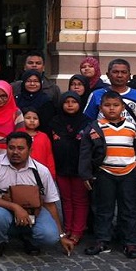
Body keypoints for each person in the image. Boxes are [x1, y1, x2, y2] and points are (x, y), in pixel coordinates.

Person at [0, 132, 74, 258]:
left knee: (50, 236)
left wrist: (61, 235)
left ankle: (29, 239)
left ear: (30, 150)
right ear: (6, 148)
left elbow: (50, 203)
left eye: (21, 148)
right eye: (11, 148)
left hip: (34, 211)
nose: (15, 152)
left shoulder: (41, 171)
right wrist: (15, 207)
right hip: (2, 209)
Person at [80, 91, 136, 258]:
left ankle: (130, 242)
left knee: (128, 208)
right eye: (107, 105)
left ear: (122, 107)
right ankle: (102, 240)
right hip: (105, 173)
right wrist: (85, 174)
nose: (111, 109)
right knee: (103, 209)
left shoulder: (132, 127)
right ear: (101, 108)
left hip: (128, 173)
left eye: (116, 105)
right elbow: (86, 152)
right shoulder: (95, 127)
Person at [46, 92, 91, 245]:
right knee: (66, 199)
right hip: (61, 165)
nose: (70, 105)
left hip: (80, 167)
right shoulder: (55, 122)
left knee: (80, 199)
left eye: (74, 102)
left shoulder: (86, 122)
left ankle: (78, 230)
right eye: (67, 102)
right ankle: (68, 227)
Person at [83, 59, 136, 137]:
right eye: (115, 72)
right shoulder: (96, 95)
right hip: (103, 144)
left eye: (124, 72)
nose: (119, 75)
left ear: (129, 76)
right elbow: (88, 121)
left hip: (130, 144)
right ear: (108, 75)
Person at [21, 109, 56, 178]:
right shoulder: (19, 136)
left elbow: (49, 155)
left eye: (35, 118)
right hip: (22, 171)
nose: (32, 120)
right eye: (28, 118)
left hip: (41, 172)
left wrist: (52, 173)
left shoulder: (44, 137)